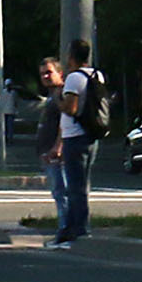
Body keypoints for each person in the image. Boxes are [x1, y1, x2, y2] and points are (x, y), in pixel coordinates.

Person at [50, 38, 103, 246]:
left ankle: (79, 230)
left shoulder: (74, 78)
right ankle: (71, 229)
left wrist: (57, 98)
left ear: (71, 56)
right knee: (81, 185)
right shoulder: (97, 75)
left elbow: (70, 108)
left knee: (75, 188)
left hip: (75, 138)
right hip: (91, 136)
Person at [33, 56, 65, 191]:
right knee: (58, 193)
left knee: (63, 193)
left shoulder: (63, 94)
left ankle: (68, 213)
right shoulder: (52, 94)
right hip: (48, 154)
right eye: (42, 74)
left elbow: (66, 122)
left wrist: (58, 147)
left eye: (49, 72)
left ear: (60, 73)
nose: (45, 76)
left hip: (58, 156)